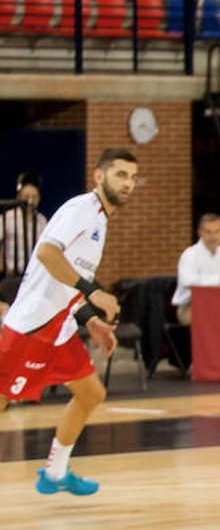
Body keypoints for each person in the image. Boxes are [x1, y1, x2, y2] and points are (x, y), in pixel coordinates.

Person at [0, 148, 135, 495]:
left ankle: (56, 473)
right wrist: (94, 292)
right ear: (98, 176)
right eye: (120, 174)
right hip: (31, 326)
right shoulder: (81, 209)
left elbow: (66, 278)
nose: (128, 183)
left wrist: (90, 321)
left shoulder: (100, 221)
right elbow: (47, 254)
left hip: (58, 328)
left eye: (133, 177)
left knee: (91, 392)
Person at [171, 213, 220, 326]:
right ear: (200, 233)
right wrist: (219, 278)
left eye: (217, 231)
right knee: (218, 318)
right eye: (209, 232)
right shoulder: (190, 254)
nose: (213, 236)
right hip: (190, 307)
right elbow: (188, 281)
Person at [2, 172, 48, 278]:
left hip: (35, 276)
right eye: (26, 196)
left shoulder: (42, 220)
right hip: (12, 275)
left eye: (34, 197)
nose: (30, 201)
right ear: (19, 197)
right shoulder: (7, 218)